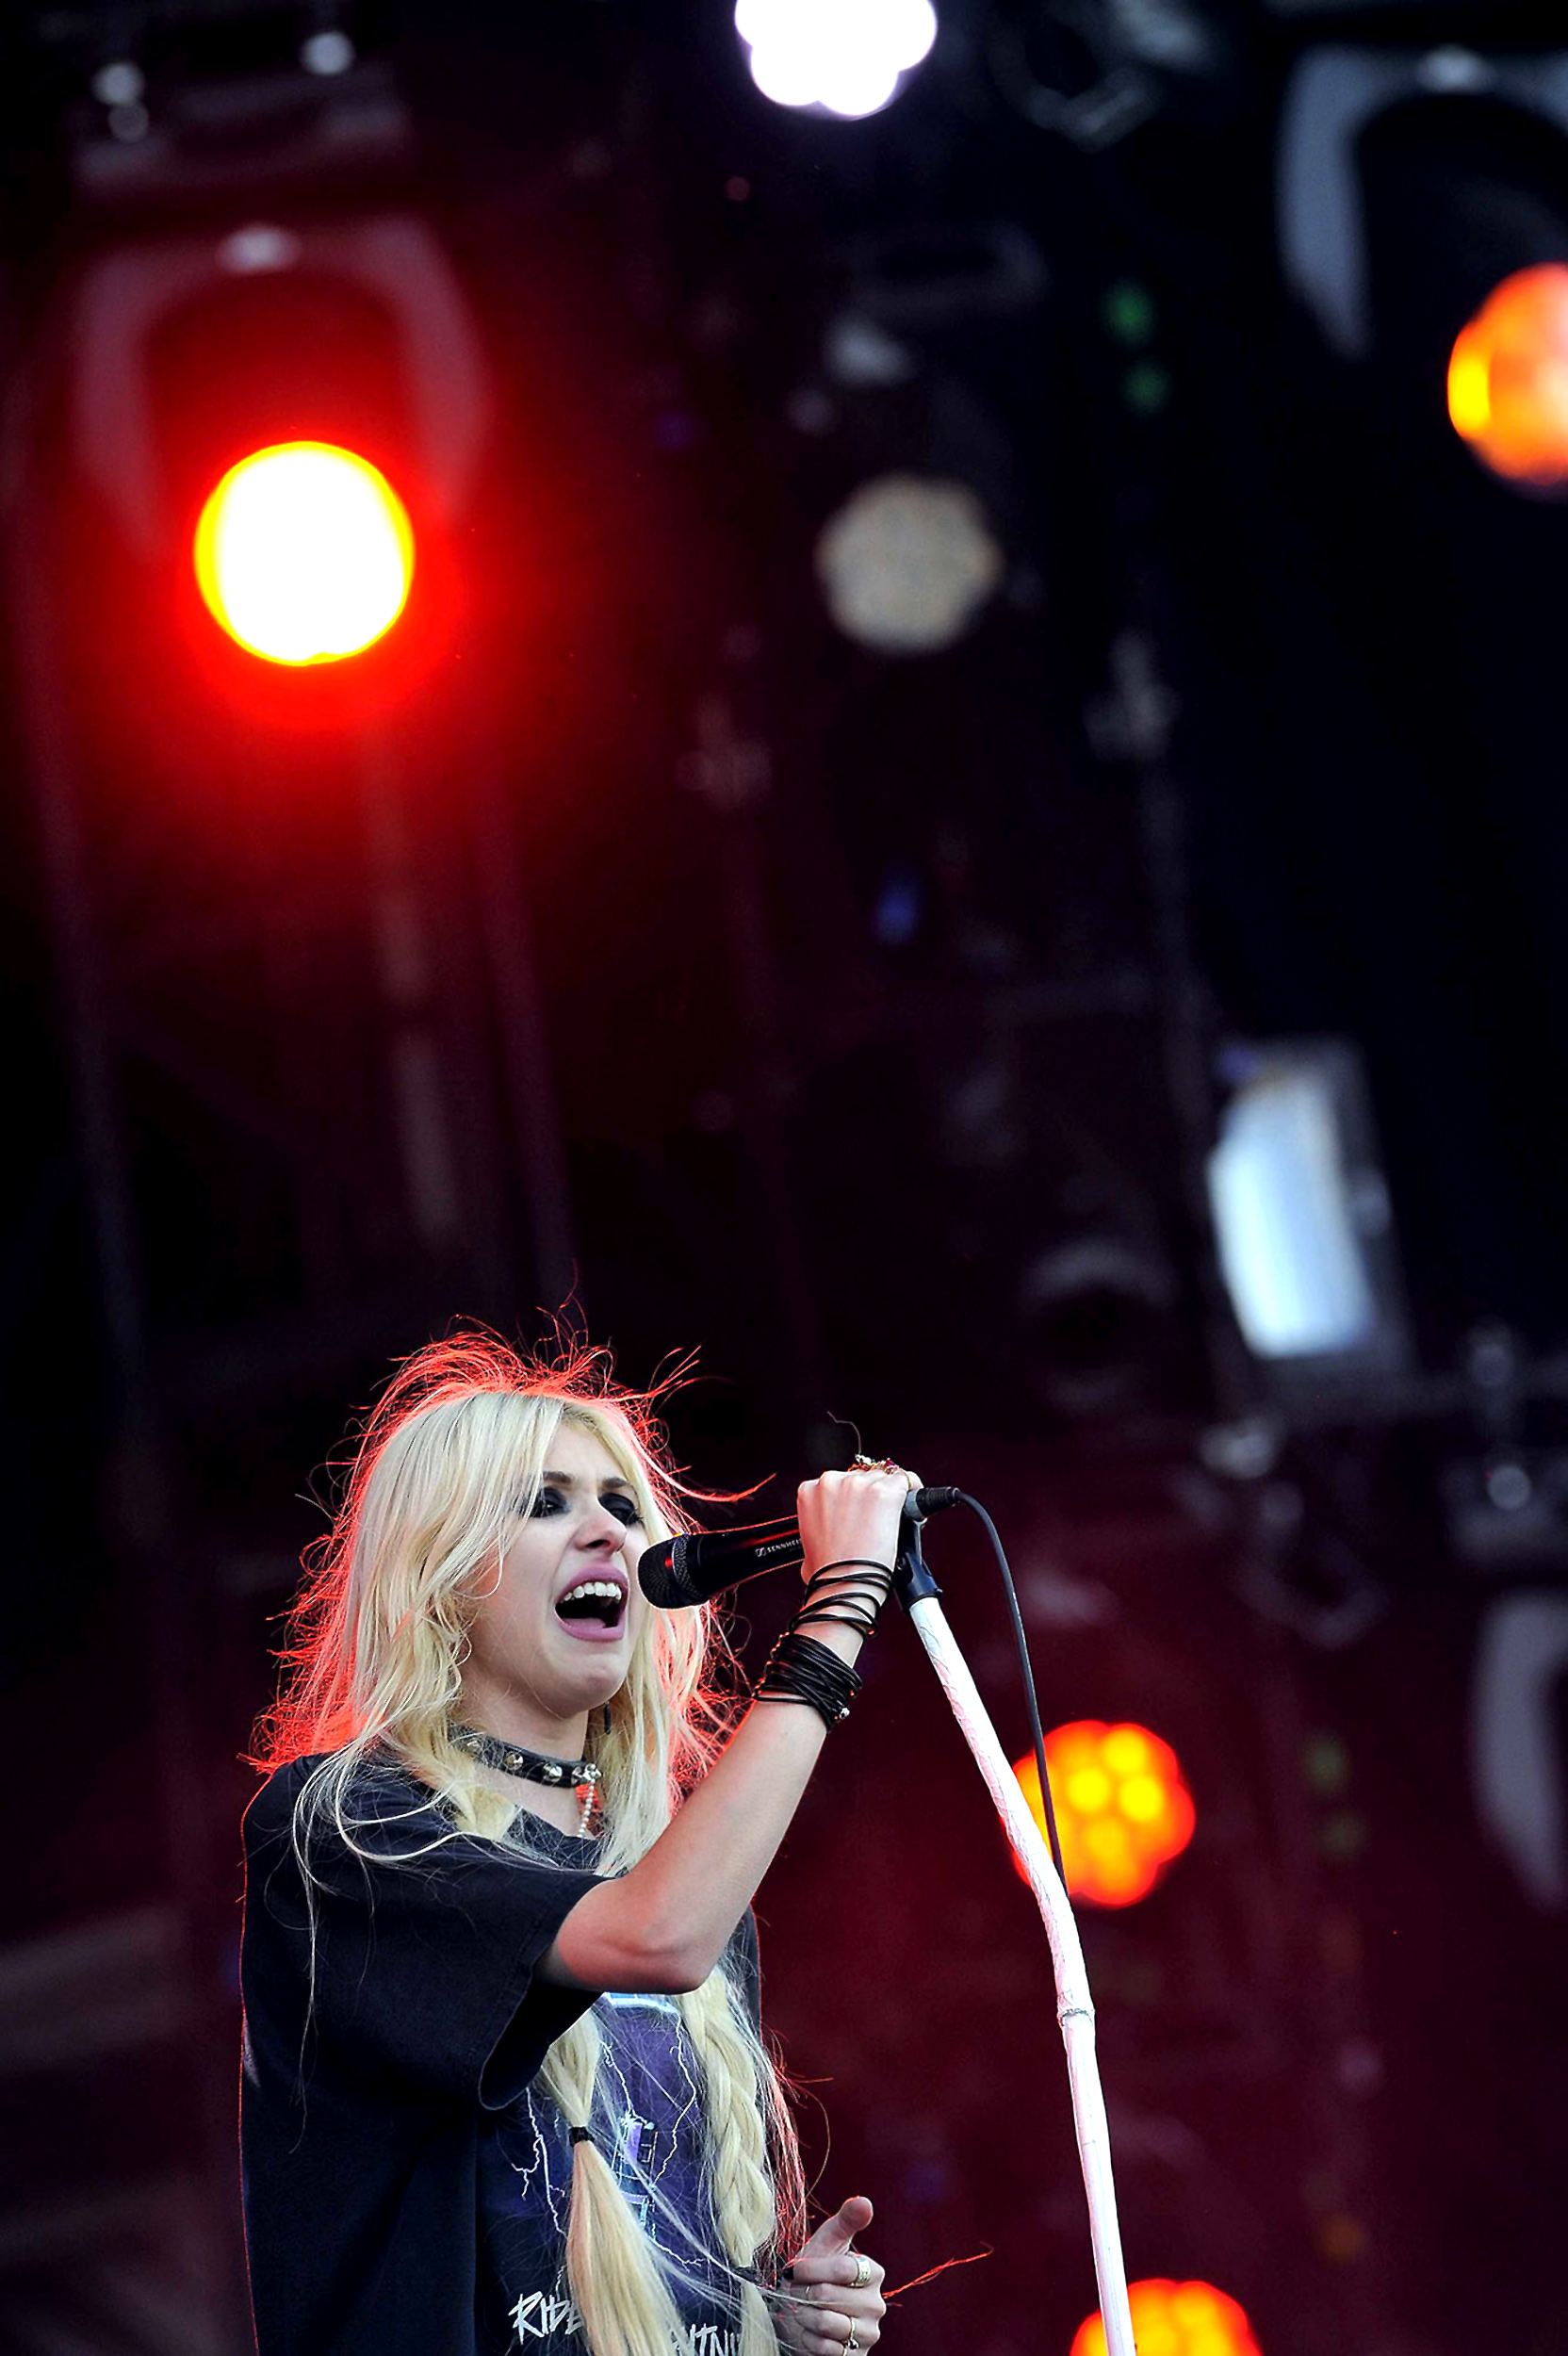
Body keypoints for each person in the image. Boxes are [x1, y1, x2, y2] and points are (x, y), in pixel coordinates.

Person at [240, 1330, 906, 2356]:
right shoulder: (348, 1832)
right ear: (438, 1576)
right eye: (543, 1503)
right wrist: (835, 1615)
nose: (605, 1533)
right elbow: (656, 1937)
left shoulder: (671, 1872)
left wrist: (774, 2321)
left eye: (623, 1507)